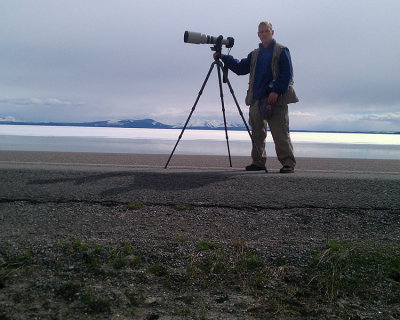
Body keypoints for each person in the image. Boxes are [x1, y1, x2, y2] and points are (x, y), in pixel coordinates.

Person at [214, 21, 298, 173]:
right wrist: (224, 58)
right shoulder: (255, 54)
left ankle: (288, 163)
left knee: (280, 132)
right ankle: (258, 161)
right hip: (257, 99)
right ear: (258, 35)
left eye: (267, 31)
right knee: (257, 133)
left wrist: (276, 91)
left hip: (275, 100)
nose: (264, 34)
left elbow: (287, 75)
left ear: (272, 32)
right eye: (261, 32)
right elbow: (241, 68)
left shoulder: (281, 50)